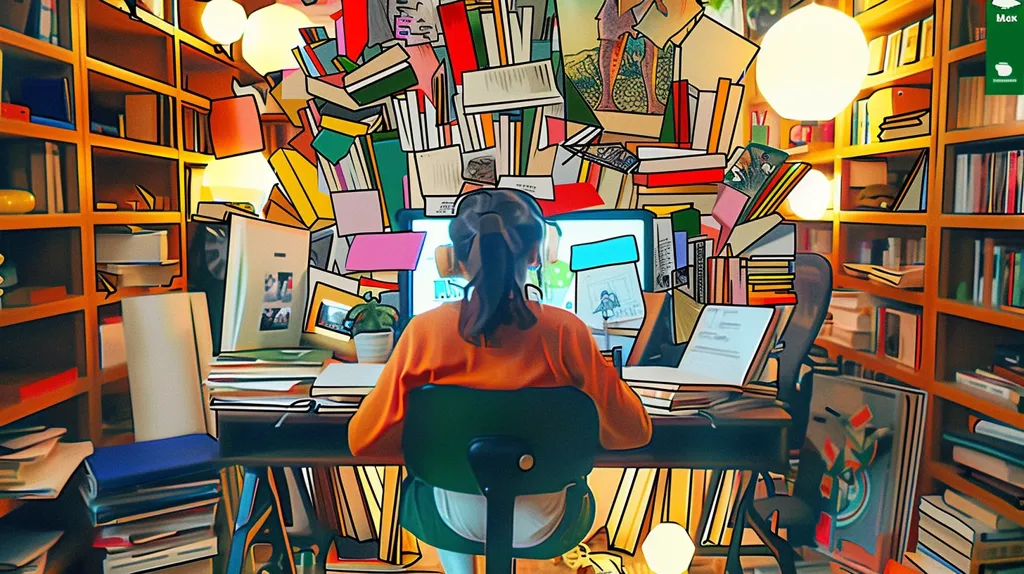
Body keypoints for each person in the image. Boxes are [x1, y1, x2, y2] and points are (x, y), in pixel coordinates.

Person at [348, 188, 653, 574]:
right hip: (548, 523)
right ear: (535, 253)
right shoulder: (566, 332)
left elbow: (361, 442)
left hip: (451, 518)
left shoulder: (424, 332)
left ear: (452, 260)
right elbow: (633, 434)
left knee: (431, 486)